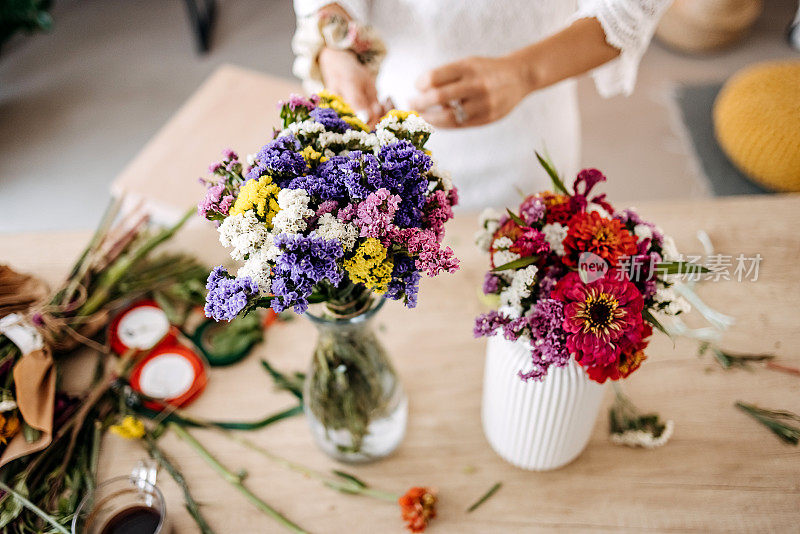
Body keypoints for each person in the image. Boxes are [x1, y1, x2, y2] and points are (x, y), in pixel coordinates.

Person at [292, 1, 672, 209]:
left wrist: (524, 73)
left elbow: (629, 9)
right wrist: (332, 37)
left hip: (524, 142)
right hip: (384, 133)